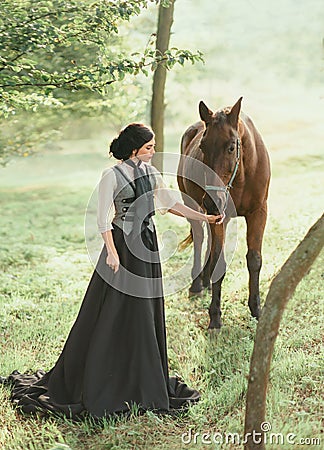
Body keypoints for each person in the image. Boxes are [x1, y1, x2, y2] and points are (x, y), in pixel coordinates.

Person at [2, 123, 221, 419]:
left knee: (144, 310)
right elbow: (103, 218)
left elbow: (171, 205)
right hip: (122, 247)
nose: (153, 151)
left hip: (147, 245)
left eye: (153, 147)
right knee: (113, 310)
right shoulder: (111, 176)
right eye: (149, 147)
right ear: (133, 149)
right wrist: (113, 253)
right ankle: (104, 374)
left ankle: (142, 375)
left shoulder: (151, 172)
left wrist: (204, 217)